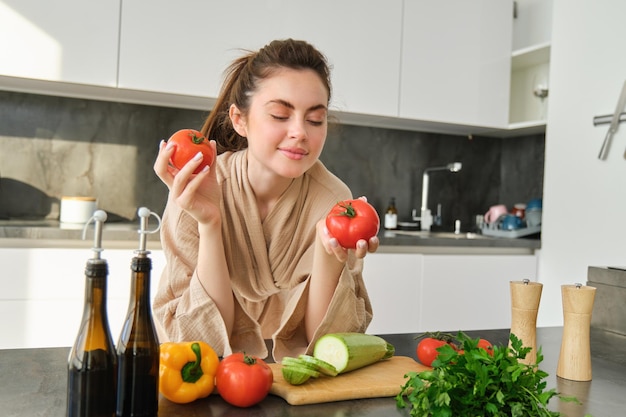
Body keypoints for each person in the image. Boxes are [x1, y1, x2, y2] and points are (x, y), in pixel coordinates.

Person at [152, 38, 379, 361]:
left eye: (315, 119)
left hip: (291, 377)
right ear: (239, 120)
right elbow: (198, 342)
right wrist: (210, 222)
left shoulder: (333, 201)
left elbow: (325, 346)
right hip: (213, 377)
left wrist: (331, 256)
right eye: (280, 115)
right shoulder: (197, 188)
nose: (300, 132)